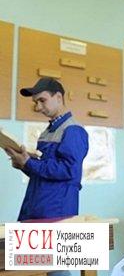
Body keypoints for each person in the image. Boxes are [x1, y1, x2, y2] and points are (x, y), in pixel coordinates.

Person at [4, 77, 89, 221]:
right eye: (36, 102)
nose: (37, 107)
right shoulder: (46, 133)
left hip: (56, 211)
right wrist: (23, 164)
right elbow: (42, 172)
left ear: (58, 97)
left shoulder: (73, 130)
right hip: (35, 206)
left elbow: (69, 169)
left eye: (42, 100)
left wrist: (28, 163)